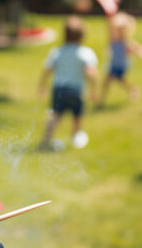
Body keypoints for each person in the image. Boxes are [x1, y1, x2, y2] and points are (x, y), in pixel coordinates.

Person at [38, 17, 99, 150]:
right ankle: (76, 136)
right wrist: (94, 89)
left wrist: (42, 86)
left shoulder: (57, 52)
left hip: (58, 89)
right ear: (82, 36)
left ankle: (46, 139)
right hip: (75, 89)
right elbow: (90, 72)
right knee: (77, 115)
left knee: (56, 114)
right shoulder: (85, 53)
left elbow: (47, 69)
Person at [98, 12, 142, 106]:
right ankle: (103, 100)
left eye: (121, 30)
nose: (118, 32)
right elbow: (109, 27)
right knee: (109, 80)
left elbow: (135, 48)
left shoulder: (125, 43)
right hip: (113, 64)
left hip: (121, 65)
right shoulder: (112, 39)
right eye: (117, 30)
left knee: (113, 79)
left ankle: (132, 89)